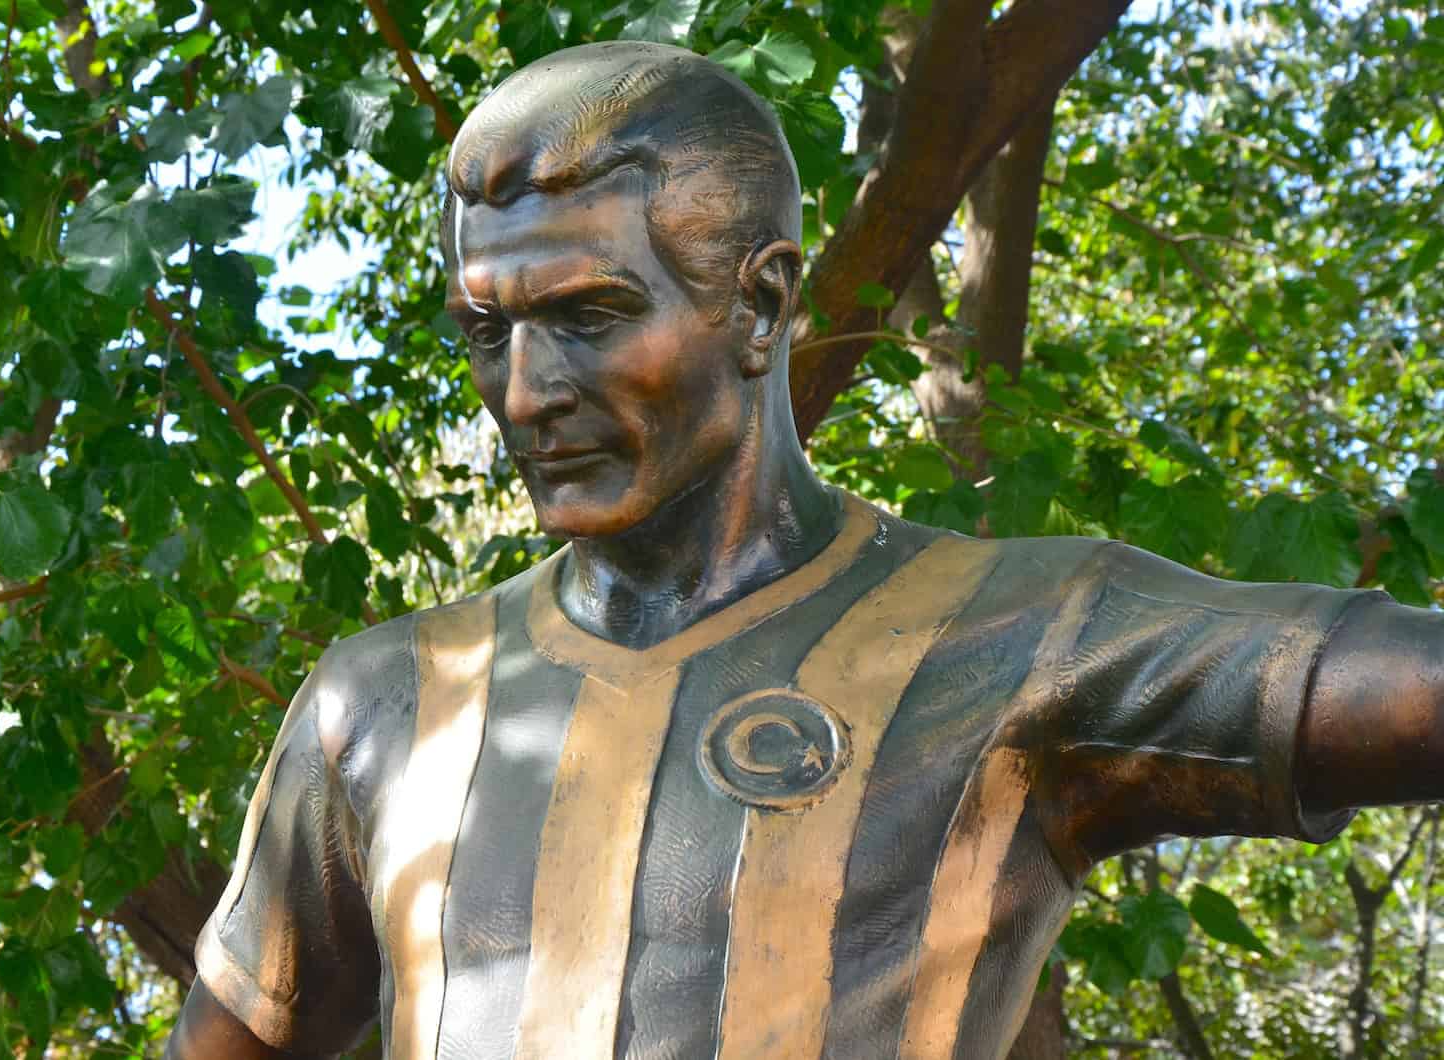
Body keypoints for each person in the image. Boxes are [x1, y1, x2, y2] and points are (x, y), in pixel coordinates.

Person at [164, 42, 1443, 1059]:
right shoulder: (385, 703)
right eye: (485, 331)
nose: (522, 390)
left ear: (763, 304)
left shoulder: (1013, 636)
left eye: (588, 317)